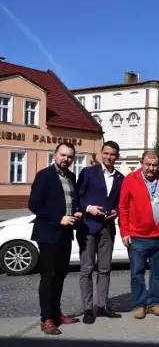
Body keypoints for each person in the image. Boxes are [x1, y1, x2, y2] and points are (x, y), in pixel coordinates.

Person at [29, 143, 83, 335]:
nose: (65, 159)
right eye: (62, 155)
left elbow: (71, 200)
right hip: (48, 233)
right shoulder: (44, 175)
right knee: (49, 277)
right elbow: (34, 205)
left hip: (66, 234)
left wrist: (76, 212)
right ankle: (46, 319)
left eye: (69, 157)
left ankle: (56, 313)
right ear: (55, 155)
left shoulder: (71, 177)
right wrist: (58, 218)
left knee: (60, 275)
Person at [119, 151, 159, 319]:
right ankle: (139, 304)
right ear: (141, 163)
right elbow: (123, 207)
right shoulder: (130, 180)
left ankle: (154, 303)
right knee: (137, 272)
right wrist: (125, 232)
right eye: (148, 164)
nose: (151, 168)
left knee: (158, 273)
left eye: (154, 165)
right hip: (138, 237)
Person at [76, 141, 125, 324]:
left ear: (117, 156)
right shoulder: (88, 173)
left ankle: (102, 306)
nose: (109, 157)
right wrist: (88, 208)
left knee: (104, 269)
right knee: (87, 269)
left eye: (112, 154)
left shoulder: (121, 178)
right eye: (106, 153)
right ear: (101, 153)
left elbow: (121, 203)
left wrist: (116, 212)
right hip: (88, 226)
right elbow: (77, 197)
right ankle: (88, 309)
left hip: (107, 228)